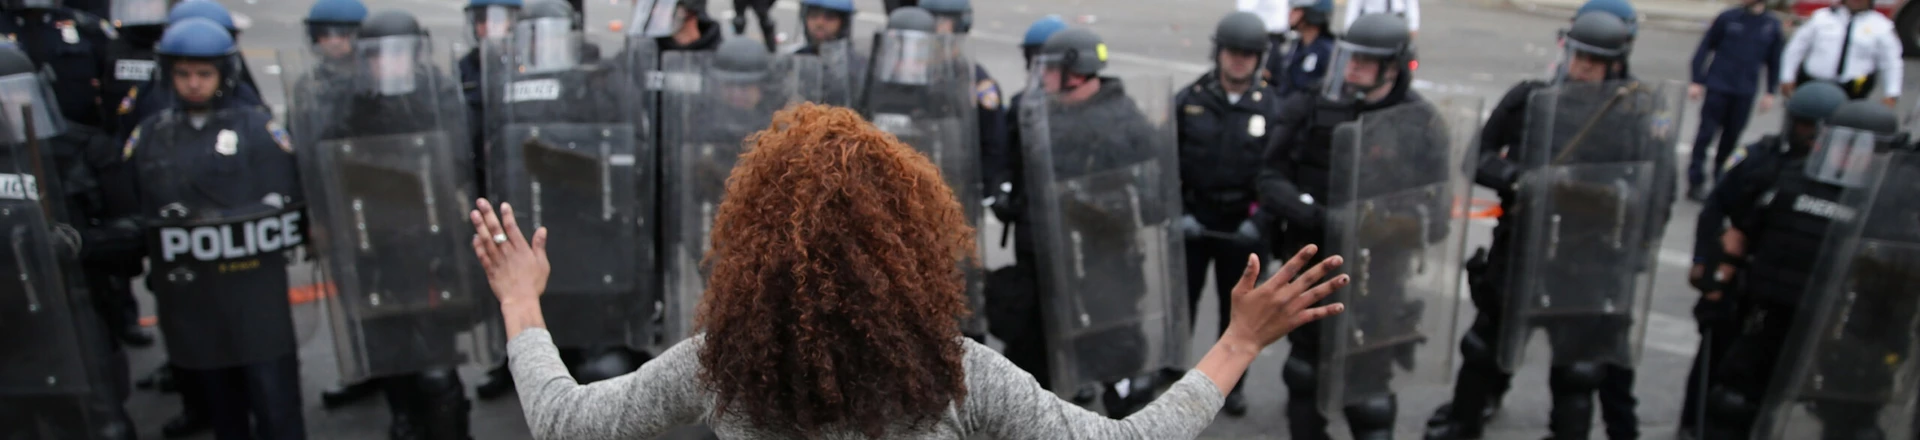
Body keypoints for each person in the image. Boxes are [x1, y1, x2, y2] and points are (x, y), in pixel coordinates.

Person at [466, 101, 1350, 439]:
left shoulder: (720, 368)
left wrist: (520, 302)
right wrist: (1236, 341)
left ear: (751, 249)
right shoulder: (958, 381)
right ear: (917, 250)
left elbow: (566, 420)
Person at [1425, 12, 1673, 440]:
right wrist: (1519, 179)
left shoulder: (1637, 115)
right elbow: (1477, 158)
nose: (1581, 68)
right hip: (1522, 250)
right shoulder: (1530, 98)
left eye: (1593, 62)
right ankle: (1462, 426)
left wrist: (1629, 241)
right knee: (1482, 351)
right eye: (1578, 56)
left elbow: (1658, 192)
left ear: (1615, 64)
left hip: (1587, 259)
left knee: (1576, 372)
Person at [1259, 13, 1464, 440]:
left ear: (1391, 67)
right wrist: (1315, 215)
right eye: (1349, 57)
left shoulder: (1420, 122)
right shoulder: (1313, 104)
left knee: (1369, 393)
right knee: (1304, 374)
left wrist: (1381, 223)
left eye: (1365, 61)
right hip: (1314, 265)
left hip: (1379, 274)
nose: (1351, 67)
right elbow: (1269, 177)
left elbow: (1438, 214)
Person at [121, 17, 306, 440]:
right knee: (224, 406)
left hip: (254, 290)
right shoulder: (152, 134)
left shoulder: (259, 130)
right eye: (183, 74)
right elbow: (137, 204)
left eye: (204, 74)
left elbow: (285, 197)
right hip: (194, 292)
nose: (193, 84)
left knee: (275, 402)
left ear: (224, 74)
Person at [1696, 100, 1903, 440]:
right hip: (1774, 320)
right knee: (1731, 404)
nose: (1847, 156)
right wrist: (1715, 288)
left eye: (1860, 148)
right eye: (1842, 144)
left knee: (1855, 427)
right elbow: (1739, 237)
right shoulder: (1788, 182)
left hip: (1847, 336)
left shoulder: (1891, 208)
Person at [1682, 80, 1848, 440]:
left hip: (1795, 298)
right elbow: (1717, 209)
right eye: (1802, 125)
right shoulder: (1763, 159)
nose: (1807, 136)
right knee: (1717, 378)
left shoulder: (1843, 179)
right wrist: (1705, 264)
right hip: (1744, 286)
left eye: (1816, 129)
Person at [0, 41, 137, 440]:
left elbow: (134, 230)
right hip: (9, 329)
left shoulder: (76, 149)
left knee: (102, 425)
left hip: (76, 314)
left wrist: (79, 243)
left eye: (15, 97)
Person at [1175, 10, 1279, 419]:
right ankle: (1175, 376)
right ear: (1218, 53)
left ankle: (1230, 386)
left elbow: (1279, 174)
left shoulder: (1274, 106)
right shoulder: (1189, 101)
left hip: (1244, 226)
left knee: (1238, 315)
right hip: (1195, 222)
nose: (1239, 61)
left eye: (1248, 54)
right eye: (1232, 52)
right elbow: (1169, 167)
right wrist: (1180, 213)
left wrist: (1261, 222)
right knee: (1182, 305)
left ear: (1259, 59)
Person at [920, 0, 1010, 228]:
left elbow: (994, 140)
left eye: (939, 21)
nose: (931, 27)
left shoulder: (975, 80)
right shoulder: (910, 71)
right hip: (914, 186)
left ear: (960, 25)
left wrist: (985, 188)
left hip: (958, 192)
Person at [1685, 0, 1785, 200]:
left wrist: (1770, 92)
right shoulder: (1728, 18)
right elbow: (1705, 47)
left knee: (1730, 140)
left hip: (1744, 91)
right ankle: (1695, 180)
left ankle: (1720, 180)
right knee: (1705, 135)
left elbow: (1774, 61)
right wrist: (1697, 79)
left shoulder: (1771, 25)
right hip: (1718, 86)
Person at [1780, 0, 1903, 103]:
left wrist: (1892, 93)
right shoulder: (1821, 18)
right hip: (1813, 84)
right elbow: (1796, 48)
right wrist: (1787, 76)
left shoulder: (1881, 26)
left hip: (1853, 91)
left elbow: (1891, 62)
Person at [1274, 0, 1333, 98]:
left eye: (1296, 10)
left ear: (1312, 13)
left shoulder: (1327, 51)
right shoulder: (1294, 45)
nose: (1290, 13)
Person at [1341, 0, 1417, 36]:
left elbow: (1411, 2)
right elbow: (1354, 4)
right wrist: (1349, 28)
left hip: (1397, 18)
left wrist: (1413, 25)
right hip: (1372, 20)